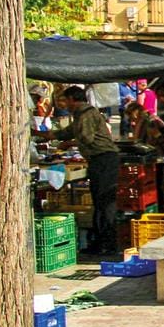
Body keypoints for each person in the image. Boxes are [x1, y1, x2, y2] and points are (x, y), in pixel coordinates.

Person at [42, 85, 122, 255]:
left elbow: (86, 138)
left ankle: (107, 244)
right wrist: (44, 134)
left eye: (65, 101)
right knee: (99, 201)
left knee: (104, 202)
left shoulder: (86, 114)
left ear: (72, 99)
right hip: (99, 160)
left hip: (104, 159)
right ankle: (100, 242)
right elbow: (67, 132)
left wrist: (69, 143)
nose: (64, 105)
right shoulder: (79, 115)